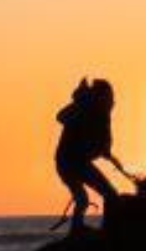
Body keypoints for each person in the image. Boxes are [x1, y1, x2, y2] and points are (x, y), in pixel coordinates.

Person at [55, 79, 130, 231]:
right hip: (69, 163)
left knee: (107, 196)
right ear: (101, 97)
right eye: (109, 97)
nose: (112, 101)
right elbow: (60, 117)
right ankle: (82, 231)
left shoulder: (101, 115)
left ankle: (104, 229)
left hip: (79, 163)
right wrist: (79, 104)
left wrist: (111, 158)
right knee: (87, 198)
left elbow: (102, 146)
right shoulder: (86, 110)